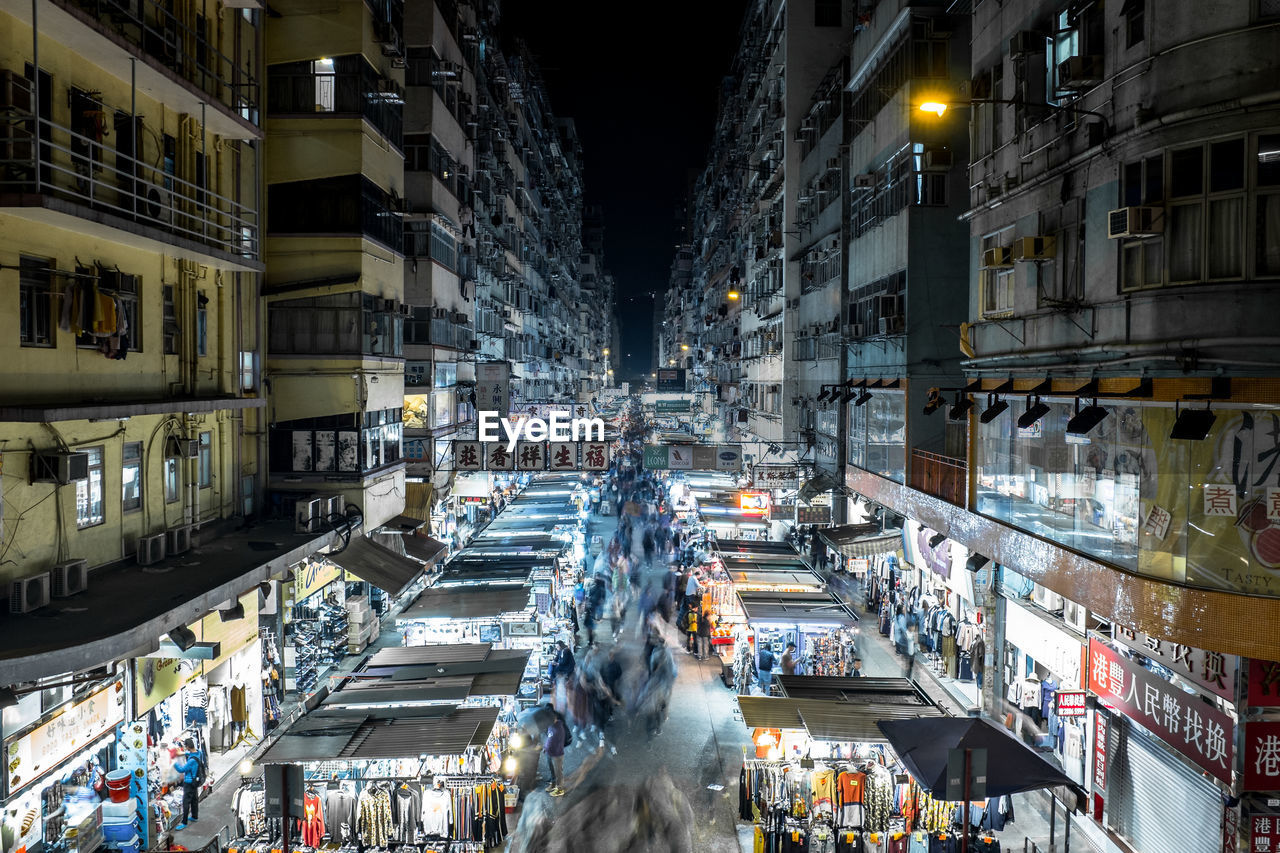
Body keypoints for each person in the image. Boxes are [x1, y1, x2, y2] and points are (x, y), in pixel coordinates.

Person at [173, 739, 205, 829]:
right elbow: (191, 755)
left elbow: (181, 770)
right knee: (194, 799)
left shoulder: (191, 761)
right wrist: (184, 754)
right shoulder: (199, 752)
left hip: (189, 782)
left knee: (186, 802)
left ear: (187, 747)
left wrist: (173, 763)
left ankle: (184, 822)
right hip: (196, 781)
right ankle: (195, 816)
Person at [543, 715, 567, 797]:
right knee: (552, 770)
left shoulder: (558, 728)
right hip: (550, 752)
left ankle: (560, 789)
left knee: (558, 772)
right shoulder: (550, 726)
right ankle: (553, 784)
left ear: (555, 718)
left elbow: (551, 740)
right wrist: (545, 748)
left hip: (557, 754)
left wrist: (546, 747)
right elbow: (549, 738)